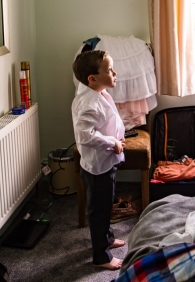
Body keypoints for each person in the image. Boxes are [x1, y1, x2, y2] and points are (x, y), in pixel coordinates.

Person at [72, 50, 126, 270]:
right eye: (108, 70)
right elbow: (85, 135)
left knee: (106, 203)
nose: (114, 73)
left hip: (106, 162)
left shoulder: (99, 93)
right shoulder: (88, 102)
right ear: (92, 79)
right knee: (100, 210)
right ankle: (101, 257)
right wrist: (112, 142)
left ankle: (108, 239)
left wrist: (117, 136)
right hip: (98, 167)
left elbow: (106, 121)